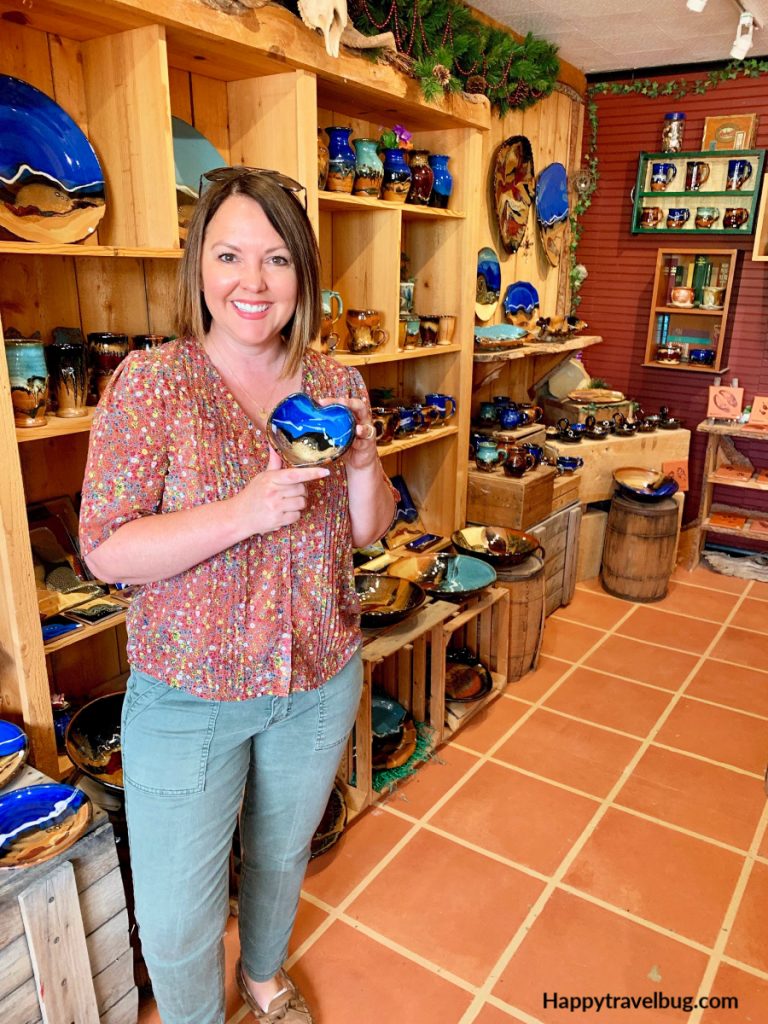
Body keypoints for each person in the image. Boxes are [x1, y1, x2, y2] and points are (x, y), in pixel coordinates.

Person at [79, 165, 397, 1024]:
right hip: (189, 694)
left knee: (281, 852)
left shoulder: (336, 385)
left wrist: (367, 466)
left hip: (316, 676)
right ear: (200, 269)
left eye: (275, 260)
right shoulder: (152, 385)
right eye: (229, 256)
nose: (252, 283)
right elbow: (107, 548)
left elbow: (369, 529)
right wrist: (242, 512)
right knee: (179, 914)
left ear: (303, 273)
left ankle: (261, 977)